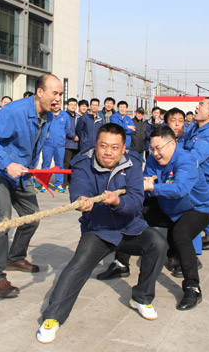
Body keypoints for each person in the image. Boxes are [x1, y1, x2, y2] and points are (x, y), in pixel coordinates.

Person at [36, 124, 167, 344]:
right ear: (95, 145)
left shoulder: (133, 163)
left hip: (130, 227)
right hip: (99, 229)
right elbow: (79, 187)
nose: (108, 152)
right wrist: (81, 200)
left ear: (123, 148)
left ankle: (142, 298)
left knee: (158, 244)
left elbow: (136, 201)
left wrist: (118, 202)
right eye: (103, 146)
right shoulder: (82, 162)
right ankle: (52, 318)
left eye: (114, 147)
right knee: (76, 267)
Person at [0, 74, 63, 298]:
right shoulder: (14, 111)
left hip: (22, 172)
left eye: (61, 94)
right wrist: (7, 164)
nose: (58, 99)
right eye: (54, 93)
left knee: (32, 217)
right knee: (2, 221)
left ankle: (15, 257)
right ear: (40, 92)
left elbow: (34, 145)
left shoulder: (49, 116)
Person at [144, 125, 209, 310]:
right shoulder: (152, 159)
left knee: (181, 234)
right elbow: (147, 183)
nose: (155, 153)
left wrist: (152, 187)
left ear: (173, 144)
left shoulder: (186, 160)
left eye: (159, 148)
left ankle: (192, 288)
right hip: (169, 207)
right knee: (134, 213)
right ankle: (121, 262)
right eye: (152, 148)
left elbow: (180, 189)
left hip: (196, 208)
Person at [181, 97, 209, 249]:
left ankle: (191, 254)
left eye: (201, 104)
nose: (197, 107)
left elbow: (194, 159)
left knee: (189, 210)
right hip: (197, 180)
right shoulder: (196, 128)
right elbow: (183, 147)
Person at [39, 97, 70, 193]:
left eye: (58, 104)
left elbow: (67, 128)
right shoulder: (48, 114)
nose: (56, 106)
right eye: (54, 104)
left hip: (60, 145)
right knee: (46, 164)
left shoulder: (65, 115)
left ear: (61, 104)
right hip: (48, 144)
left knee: (59, 164)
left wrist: (62, 136)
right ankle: (44, 184)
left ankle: (58, 184)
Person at [63, 97, 80, 188]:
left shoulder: (78, 116)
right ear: (67, 105)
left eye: (75, 105)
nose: (73, 106)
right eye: (71, 104)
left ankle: (71, 181)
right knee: (66, 163)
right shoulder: (64, 115)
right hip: (67, 144)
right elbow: (65, 128)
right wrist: (73, 136)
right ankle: (64, 182)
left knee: (73, 164)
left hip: (76, 144)